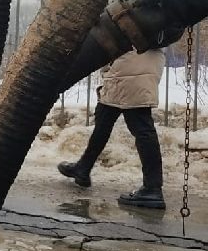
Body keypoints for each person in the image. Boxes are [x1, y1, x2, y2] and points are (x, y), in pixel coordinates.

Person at [58, 47, 167, 209]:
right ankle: (83, 167)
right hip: (142, 63)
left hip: (131, 63)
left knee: (141, 125)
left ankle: (153, 188)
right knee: (105, 115)